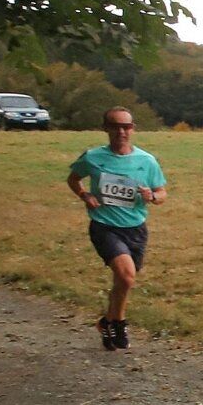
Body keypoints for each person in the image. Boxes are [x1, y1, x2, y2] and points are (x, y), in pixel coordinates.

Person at [67, 107, 167, 350]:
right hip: (104, 226)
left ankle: (107, 322)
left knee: (124, 281)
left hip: (136, 228)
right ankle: (119, 322)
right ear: (106, 129)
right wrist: (84, 194)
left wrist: (151, 195)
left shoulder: (146, 161)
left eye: (127, 127)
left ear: (133, 129)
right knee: (126, 275)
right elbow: (73, 178)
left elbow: (163, 193)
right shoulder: (92, 157)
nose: (122, 131)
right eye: (116, 126)